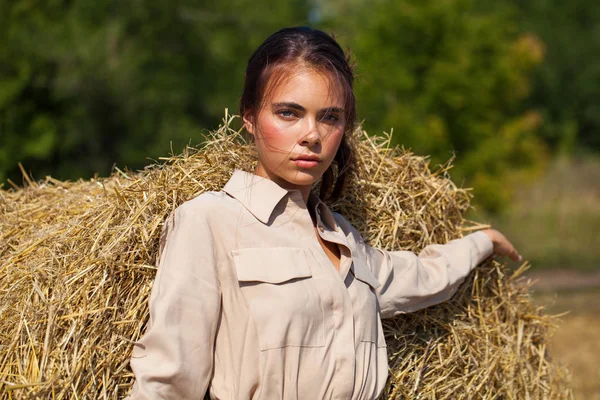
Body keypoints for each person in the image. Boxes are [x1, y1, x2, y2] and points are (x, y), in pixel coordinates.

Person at [127, 26, 521, 400]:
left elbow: (419, 277)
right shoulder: (209, 221)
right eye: (288, 113)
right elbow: (169, 378)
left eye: (329, 117)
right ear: (249, 117)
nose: (311, 135)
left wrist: (480, 243)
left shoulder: (343, 239)